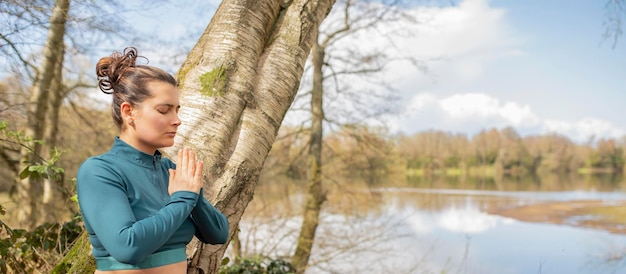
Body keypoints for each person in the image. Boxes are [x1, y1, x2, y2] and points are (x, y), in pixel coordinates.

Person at [77, 47, 229, 273]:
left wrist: (191, 193)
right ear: (129, 112)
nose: (176, 120)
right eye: (164, 110)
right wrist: (182, 198)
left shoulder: (170, 170)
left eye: (177, 110)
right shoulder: (99, 171)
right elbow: (127, 247)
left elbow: (218, 233)